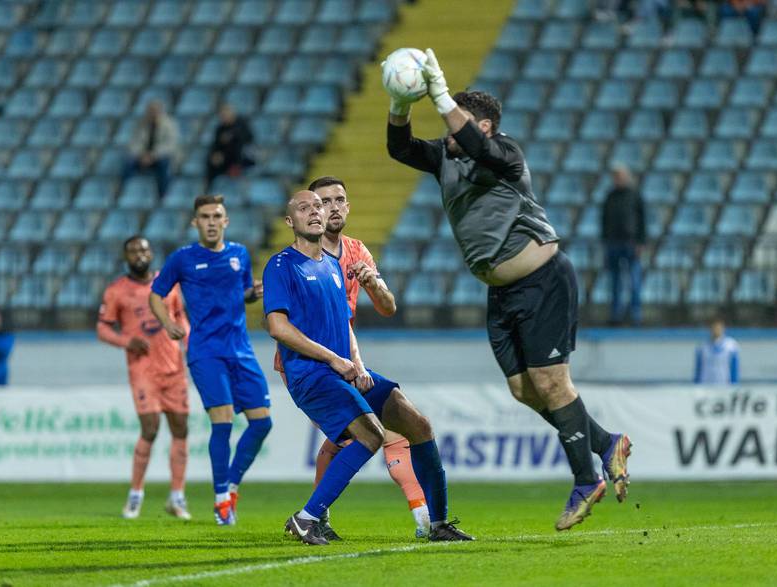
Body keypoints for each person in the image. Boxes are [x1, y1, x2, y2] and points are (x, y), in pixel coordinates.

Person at [386, 49, 632, 531]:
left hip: (543, 280)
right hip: (500, 293)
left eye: (462, 124)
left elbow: (478, 148)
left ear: (486, 127)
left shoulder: (506, 155)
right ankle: (606, 443)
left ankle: (586, 479)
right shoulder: (446, 158)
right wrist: (399, 104)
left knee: (551, 383)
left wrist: (438, 95)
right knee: (523, 390)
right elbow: (400, 148)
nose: (450, 134)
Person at [263, 190, 472, 545]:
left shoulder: (331, 266)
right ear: (289, 222)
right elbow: (277, 327)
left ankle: (437, 525)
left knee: (417, 424)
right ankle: (307, 517)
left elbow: (343, 322)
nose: (315, 212)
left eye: (319, 206)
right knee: (370, 436)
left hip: (345, 371)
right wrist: (332, 359)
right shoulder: (282, 265)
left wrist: (356, 365)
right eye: (304, 208)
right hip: (311, 375)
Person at [150, 195, 271, 526]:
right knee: (224, 421)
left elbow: (243, 291)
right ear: (195, 222)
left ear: (226, 220)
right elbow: (156, 294)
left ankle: (231, 485)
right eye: (205, 216)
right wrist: (167, 323)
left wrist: (252, 293)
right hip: (206, 351)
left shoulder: (240, 254)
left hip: (241, 349)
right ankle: (221, 502)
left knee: (263, 423)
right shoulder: (183, 258)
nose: (212, 221)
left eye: (217, 215)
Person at [97, 236, 191, 520]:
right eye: (134, 250)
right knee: (149, 428)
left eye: (144, 249)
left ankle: (177, 497)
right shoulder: (117, 291)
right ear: (126, 257)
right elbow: (102, 329)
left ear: (152, 253)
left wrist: (188, 342)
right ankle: (135, 495)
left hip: (174, 367)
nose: (140, 254)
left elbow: (180, 317)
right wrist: (127, 341)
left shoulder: (168, 283)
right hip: (143, 371)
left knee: (180, 429)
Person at [601, 164, 646, 326]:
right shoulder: (610, 196)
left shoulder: (634, 196)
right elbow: (604, 220)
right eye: (615, 176)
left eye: (620, 176)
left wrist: (641, 242)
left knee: (634, 281)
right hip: (613, 243)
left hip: (631, 243)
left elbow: (642, 221)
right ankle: (616, 316)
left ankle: (636, 315)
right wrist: (605, 241)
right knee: (615, 282)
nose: (618, 179)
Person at [123, 100, 179, 198]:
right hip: (142, 157)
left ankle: (163, 195)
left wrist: (153, 155)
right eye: (150, 111)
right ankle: (124, 192)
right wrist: (141, 155)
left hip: (159, 157)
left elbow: (170, 146)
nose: (152, 114)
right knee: (128, 164)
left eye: (155, 111)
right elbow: (133, 143)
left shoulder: (169, 125)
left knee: (164, 166)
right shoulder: (141, 124)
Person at [206, 104, 255, 188]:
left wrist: (231, 136)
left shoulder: (242, 123)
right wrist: (215, 155)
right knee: (211, 160)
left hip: (243, 157)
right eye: (222, 115)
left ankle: (236, 168)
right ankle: (209, 187)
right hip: (225, 158)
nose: (224, 117)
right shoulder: (220, 129)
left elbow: (248, 138)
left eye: (226, 114)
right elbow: (216, 144)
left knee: (237, 145)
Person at [694, 317, 740, 385]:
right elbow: (698, 369)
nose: (716, 330)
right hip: (705, 385)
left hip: (724, 384)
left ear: (723, 328)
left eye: (718, 328)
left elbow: (734, 368)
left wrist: (734, 384)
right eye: (714, 327)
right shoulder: (702, 347)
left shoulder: (731, 346)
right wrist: (696, 385)